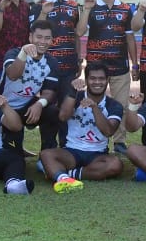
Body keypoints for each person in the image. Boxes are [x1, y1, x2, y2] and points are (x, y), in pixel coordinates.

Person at [41, 63, 125, 193]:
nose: (97, 82)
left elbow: (108, 131)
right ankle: (63, 178)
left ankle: (67, 174)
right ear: (86, 80)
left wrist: (94, 107)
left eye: (101, 79)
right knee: (46, 154)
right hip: (71, 151)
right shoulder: (76, 96)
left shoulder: (114, 105)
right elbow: (63, 117)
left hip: (97, 154)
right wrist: (72, 92)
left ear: (107, 80)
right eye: (92, 78)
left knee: (116, 165)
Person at [0, 19, 62, 153]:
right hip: (3, 105)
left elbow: (49, 92)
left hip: (27, 106)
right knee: (12, 154)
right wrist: (24, 54)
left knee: (52, 111)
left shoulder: (51, 62)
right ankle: (15, 147)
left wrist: (39, 104)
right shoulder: (14, 53)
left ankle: (47, 153)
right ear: (30, 37)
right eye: (39, 37)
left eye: (47, 38)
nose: (43, 42)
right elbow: (13, 75)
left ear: (51, 41)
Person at [28, 0, 82, 89]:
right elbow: (33, 33)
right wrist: (44, 12)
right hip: (47, 65)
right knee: (48, 103)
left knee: (68, 103)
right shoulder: (38, 5)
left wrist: (78, 60)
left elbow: (76, 35)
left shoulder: (73, 5)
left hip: (70, 65)